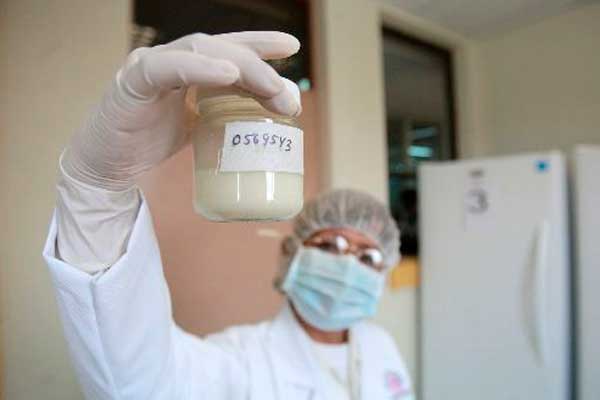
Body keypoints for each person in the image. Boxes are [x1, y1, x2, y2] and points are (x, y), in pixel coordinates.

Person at [42, 31, 413, 399]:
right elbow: (139, 384)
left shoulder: (381, 347)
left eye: (368, 256)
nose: (347, 267)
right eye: (330, 246)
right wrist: (98, 191)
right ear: (292, 254)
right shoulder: (239, 360)